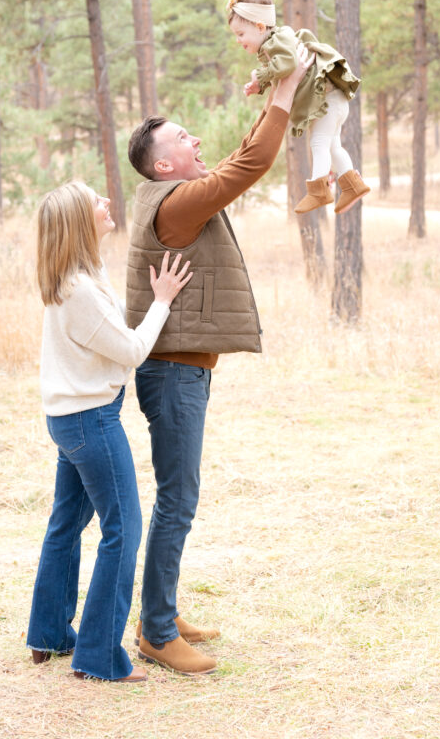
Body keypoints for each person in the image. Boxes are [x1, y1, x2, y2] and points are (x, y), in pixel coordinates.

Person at [125, 46, 313, 675]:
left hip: (182, 369)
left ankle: (162, 607)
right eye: (184, 136)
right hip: (174, 373)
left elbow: (237, 154)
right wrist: (285, 91)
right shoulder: (173, 203)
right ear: (163, 162)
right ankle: (154, 631)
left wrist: (270, 99)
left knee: (177, 497)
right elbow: (250, 163)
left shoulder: (171, 195)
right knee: (178, 499)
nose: (196, 138)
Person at [26, 180, 192, 683]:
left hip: (70, 418)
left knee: (66, 526)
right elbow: (133, 351)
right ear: (81, 221)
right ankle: (98, 657)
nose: (106, 202)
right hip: (89, 421)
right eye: (95, 201)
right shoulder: (79, 292)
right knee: (123, 531)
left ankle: (50, 634)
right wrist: (163, 299)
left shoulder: (78, 276)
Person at [228, 0, 371, 215]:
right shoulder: (278, 40)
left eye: (240, 33)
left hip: (327, 100)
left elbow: (287, 64)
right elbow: (284, 69)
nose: (238, 40)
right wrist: (260, 85)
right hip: (334, 100)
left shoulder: (276, 41)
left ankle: (319, 191)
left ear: (259, 27)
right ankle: (353, 186)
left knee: (319, 143)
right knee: (333, 145)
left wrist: (262, 75)